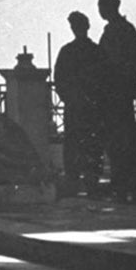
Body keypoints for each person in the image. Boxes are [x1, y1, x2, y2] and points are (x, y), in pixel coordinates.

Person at [53, 11, 105, 196]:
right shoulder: (96, 51)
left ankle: (75, 181)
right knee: (91, 144)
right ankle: (91, 182)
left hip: (78, 106)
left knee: (76, 144)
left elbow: (59, 80)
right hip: (90, 106)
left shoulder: (68, 51)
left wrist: (70, 98)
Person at [96, 0, 136, 201]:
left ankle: (125, 184)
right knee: (122, 141)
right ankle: (125, 184)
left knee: (121, 142)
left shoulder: (119, 32)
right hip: (117, 94)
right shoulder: (123, 31)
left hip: (117, 94)